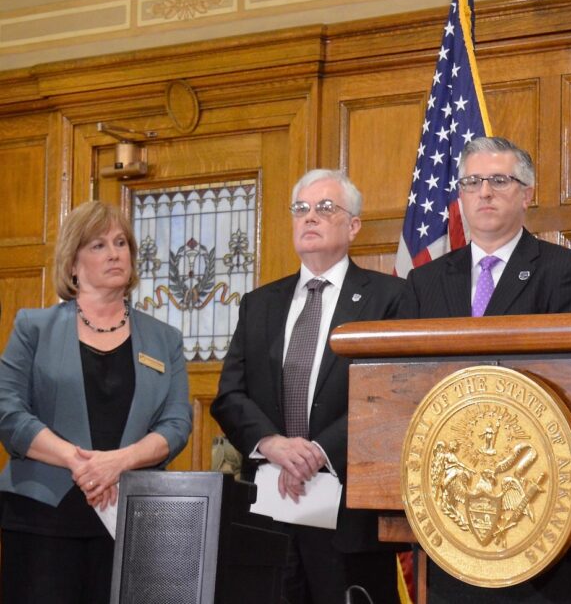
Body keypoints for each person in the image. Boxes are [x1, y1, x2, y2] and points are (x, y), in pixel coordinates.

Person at [211, 169, 404, 604]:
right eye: (301, 209)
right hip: (270, 508)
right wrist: (272, 444)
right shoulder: (260, 303)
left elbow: (391, 398)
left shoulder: (388, 298)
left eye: (324, 208)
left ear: (353, 225)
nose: (309, 218)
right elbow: (230, 394)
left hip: (349, 516)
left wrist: (320, 451)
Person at [0, 201, 192, 603]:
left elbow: (176, 424)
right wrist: (79, 461)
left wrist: (118, 462)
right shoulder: (33, 327)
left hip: (131, 519)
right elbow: (8, 413)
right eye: (98, 245)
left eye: (121, 243)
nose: (114, 253)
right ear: (72, 263)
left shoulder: (164, 339)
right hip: (42, 518)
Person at [399, 136, 571, 318]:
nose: (484, 192)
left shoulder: (567, 270)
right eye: (472, 182)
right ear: (461, 195)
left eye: (499, 181)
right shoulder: (424, 281)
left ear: (526, 196)